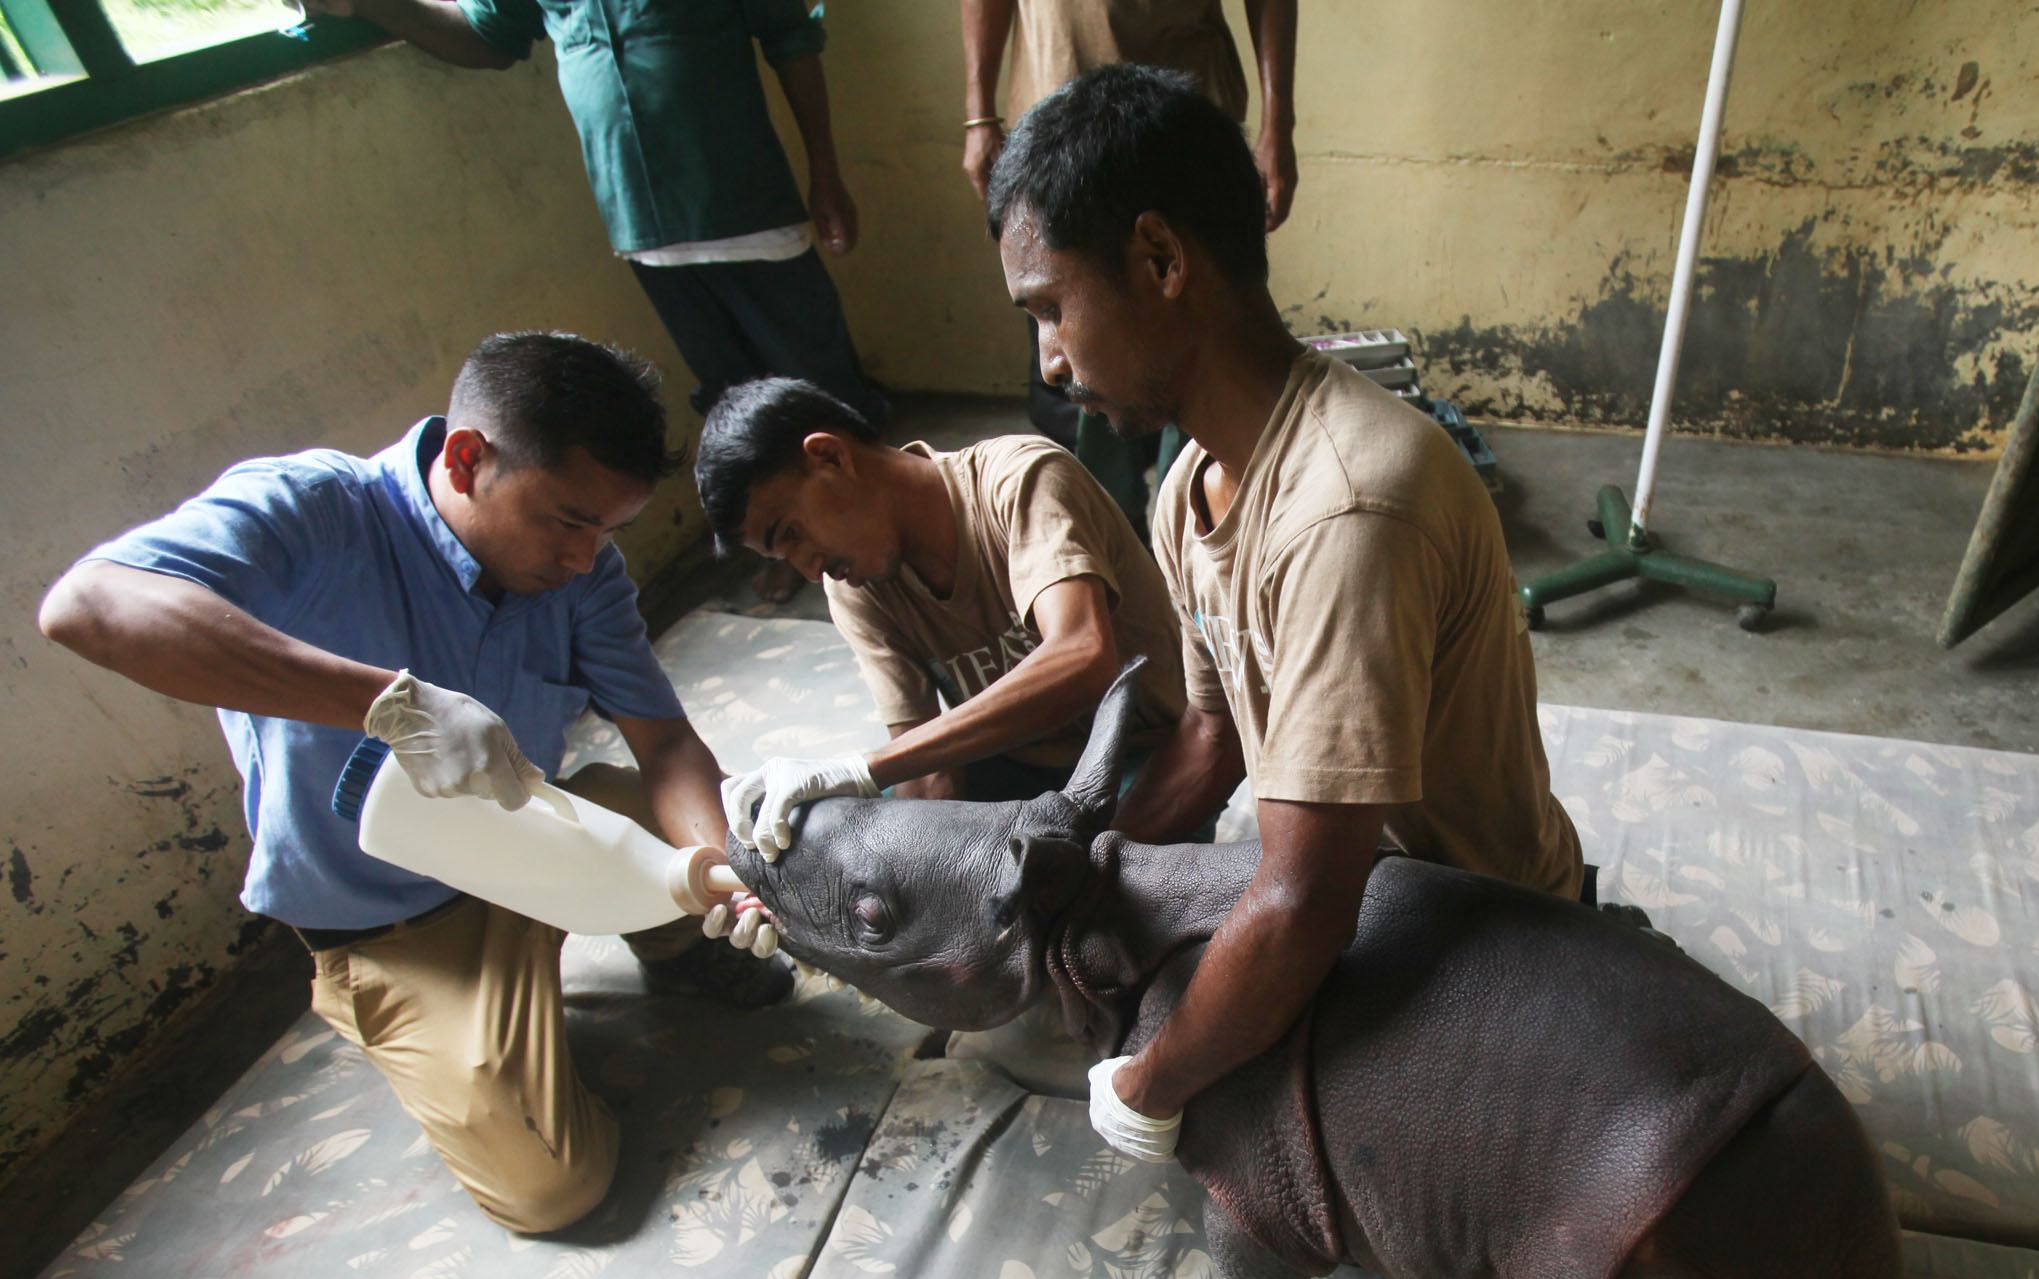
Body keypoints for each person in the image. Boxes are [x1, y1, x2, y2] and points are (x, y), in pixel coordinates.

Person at [39, 332, 783, 1238]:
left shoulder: (581, 572)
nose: (586, 558)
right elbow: (87, 606)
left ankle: (678, 944)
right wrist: (388, 703)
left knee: (702, 827)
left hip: (537, 845)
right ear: (468, 460)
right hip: (398, 928)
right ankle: (452, 1030)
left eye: (609, 530)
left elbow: (664, 744)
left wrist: (724, 868)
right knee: (554, 1191)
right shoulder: (315, 510)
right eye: (567, 521)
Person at [984, 66, 1587, 1162]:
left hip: (1483, 930)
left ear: (1162, 261)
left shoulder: (1351, 506)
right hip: (1363, 881)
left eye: (1050, 308)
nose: (1049, 360)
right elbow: (1214, 738)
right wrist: (1084, 891)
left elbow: (1308, 899)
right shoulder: (1189, 484)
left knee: (1227, 1124)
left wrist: (1146, 1087)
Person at [309, 0, 886, 440]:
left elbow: (791, 34)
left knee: (821, 384)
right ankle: (782, 536)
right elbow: (490, 37)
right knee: (729, 396)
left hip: (746, 203)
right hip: (640, 220)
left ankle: (879, 529)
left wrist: (824, 169)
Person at [690, 376, 1188, 856]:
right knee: (843, 849)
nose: (808, 568)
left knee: (1090, 905)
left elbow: (1083, 657)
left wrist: (866, 768)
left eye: (792, 533)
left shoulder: (1019, 481)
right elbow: (922, 770)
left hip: (1141, 753)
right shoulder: (854, 587)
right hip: (1015, 754)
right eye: (783, 558)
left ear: (829, 456)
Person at [959, 0, 1298, 536]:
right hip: (1053, 122)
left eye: (1050, 310)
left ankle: (1195, 533)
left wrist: (1279, 122)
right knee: (1088, 392)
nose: (1051, 362)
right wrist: (979, 111)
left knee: (1186, 370)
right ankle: (1116, 541)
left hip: (1181, 124)